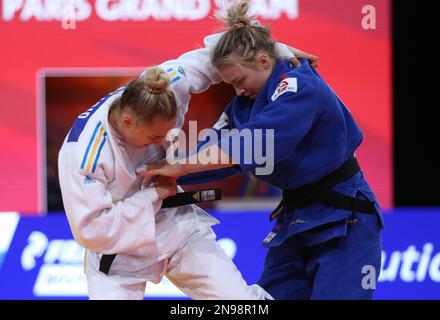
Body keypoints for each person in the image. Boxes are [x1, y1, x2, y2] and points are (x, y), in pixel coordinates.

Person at [141, 0, 384, 300]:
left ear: (263, 61)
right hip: (296, 220)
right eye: (230, 85)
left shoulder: (299, 86)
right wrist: (166, 177)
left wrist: (182, 167)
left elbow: (258, 143)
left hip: (345, 216)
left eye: (240, 81)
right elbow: (214, 150)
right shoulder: (243, 104)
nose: (238, 90)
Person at [58, 28, 316, 299]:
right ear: (127, 122)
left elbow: (215, 54)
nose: (160, 143)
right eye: (154, 137)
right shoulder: (83, 154)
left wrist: (276, 52)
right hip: (117, 253)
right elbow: (91, 231)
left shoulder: (163, 85)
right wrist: (152, 195)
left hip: (176, 227)